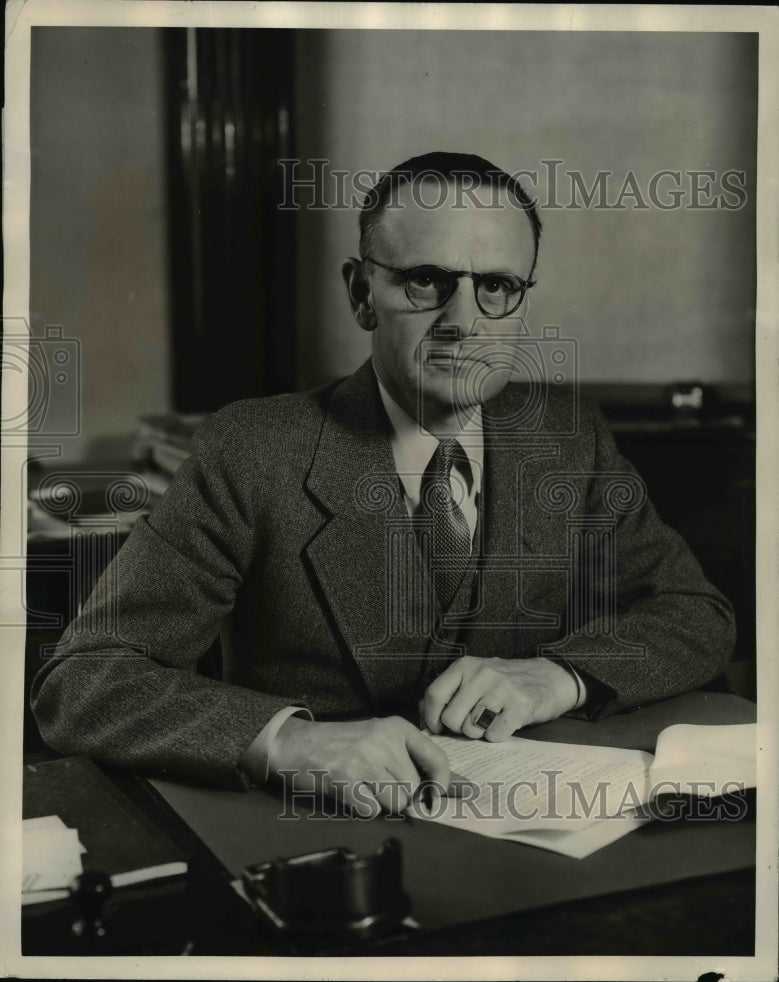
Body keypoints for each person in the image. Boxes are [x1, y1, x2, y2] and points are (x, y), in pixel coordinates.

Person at [31, 152, 736, 816]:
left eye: (495, 287)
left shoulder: (565, 436)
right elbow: (85, 681)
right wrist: (287, 741)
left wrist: (557, 676)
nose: (462, 323)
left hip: (535, 826)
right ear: (361, 293)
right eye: (425, 281)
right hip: (316, 840)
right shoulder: (252, 451)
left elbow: (693, 613)